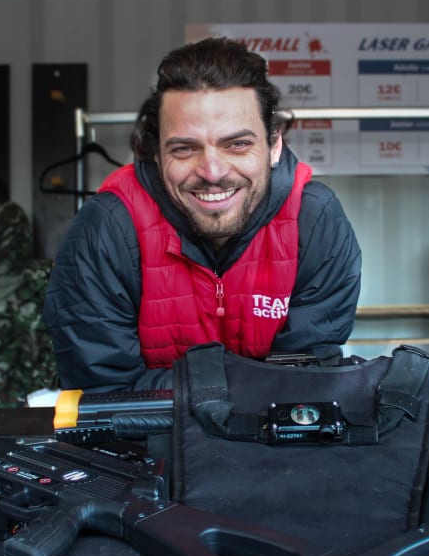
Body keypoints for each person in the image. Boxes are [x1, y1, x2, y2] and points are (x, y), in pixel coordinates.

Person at [43, 37, 362, 392]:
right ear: (157, 154)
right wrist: (245, 389)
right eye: (184, 148)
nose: (212, 172)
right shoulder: (107, 228)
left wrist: (210, 393)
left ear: (274, 145)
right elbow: (104, 394)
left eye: (237, 144)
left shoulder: (313, 220)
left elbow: (307, 384)